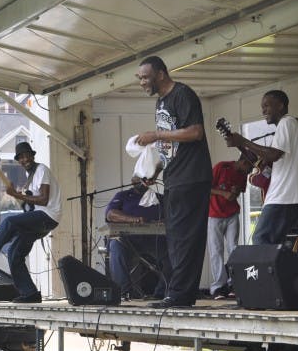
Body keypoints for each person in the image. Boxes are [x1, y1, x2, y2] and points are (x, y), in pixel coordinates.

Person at [135, 56, 212, 309]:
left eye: (145, 77)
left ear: (160, 74)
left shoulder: (183, 94)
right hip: (174, 176)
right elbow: (171, 145)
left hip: (192, 177)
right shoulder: (161, 102)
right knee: (176, 238)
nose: (142, 82)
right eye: (140, 78)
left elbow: (195, 132)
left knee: (186, 238)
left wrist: (155, 134)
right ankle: (178, 293)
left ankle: (180, 295)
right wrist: (156, 170)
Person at [0, 141, 62, 303]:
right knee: (14, 253)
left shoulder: (41, 170)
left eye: (26, 155)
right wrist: (20, 196)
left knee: (9, 221)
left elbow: (43, 200)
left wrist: (18, 195)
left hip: (48, 216)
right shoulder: (30, 176)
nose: (24, 159)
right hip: (39, 218)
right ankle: (30, 293)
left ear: (32, 155)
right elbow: (30, 205)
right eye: (21, 158)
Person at [223, 90, 298, 246]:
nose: (263, 111)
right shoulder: (292, 126)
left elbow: (273, 155)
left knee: (261, 239)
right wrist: (241, 144)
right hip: (289, 197)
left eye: (267, 106)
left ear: (281, 105)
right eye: (262, 107)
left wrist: (243, 140)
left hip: (284, 197)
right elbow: (271, 158)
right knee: (274, 244)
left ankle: (274, 271)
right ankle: (283, 270)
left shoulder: (286, 123)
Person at [104, 178, 169, 300]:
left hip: (154, 240)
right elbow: (110, 214)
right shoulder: (123, 195)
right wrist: (133, 219)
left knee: (174, 252)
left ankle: (161, 293)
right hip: (129, 240)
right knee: (115, 245)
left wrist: (164, 221)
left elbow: (172, 214)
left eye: (145, 178)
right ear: (132, 181)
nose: (141, 181)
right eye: (138, 178)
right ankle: (124, 292)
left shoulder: (158, 197)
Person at [208, 156, 251, 299]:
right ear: (243, 162)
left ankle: (234, 283)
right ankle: (219, 286)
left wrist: (235, 191)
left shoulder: (242, 175)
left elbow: (239, 191)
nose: (249, 172)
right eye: (249, 168)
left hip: (232, 213)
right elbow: (206, 187)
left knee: (233, 248)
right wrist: (224, 193)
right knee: (216, 250)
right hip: (214, 214)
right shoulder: (222, 166)